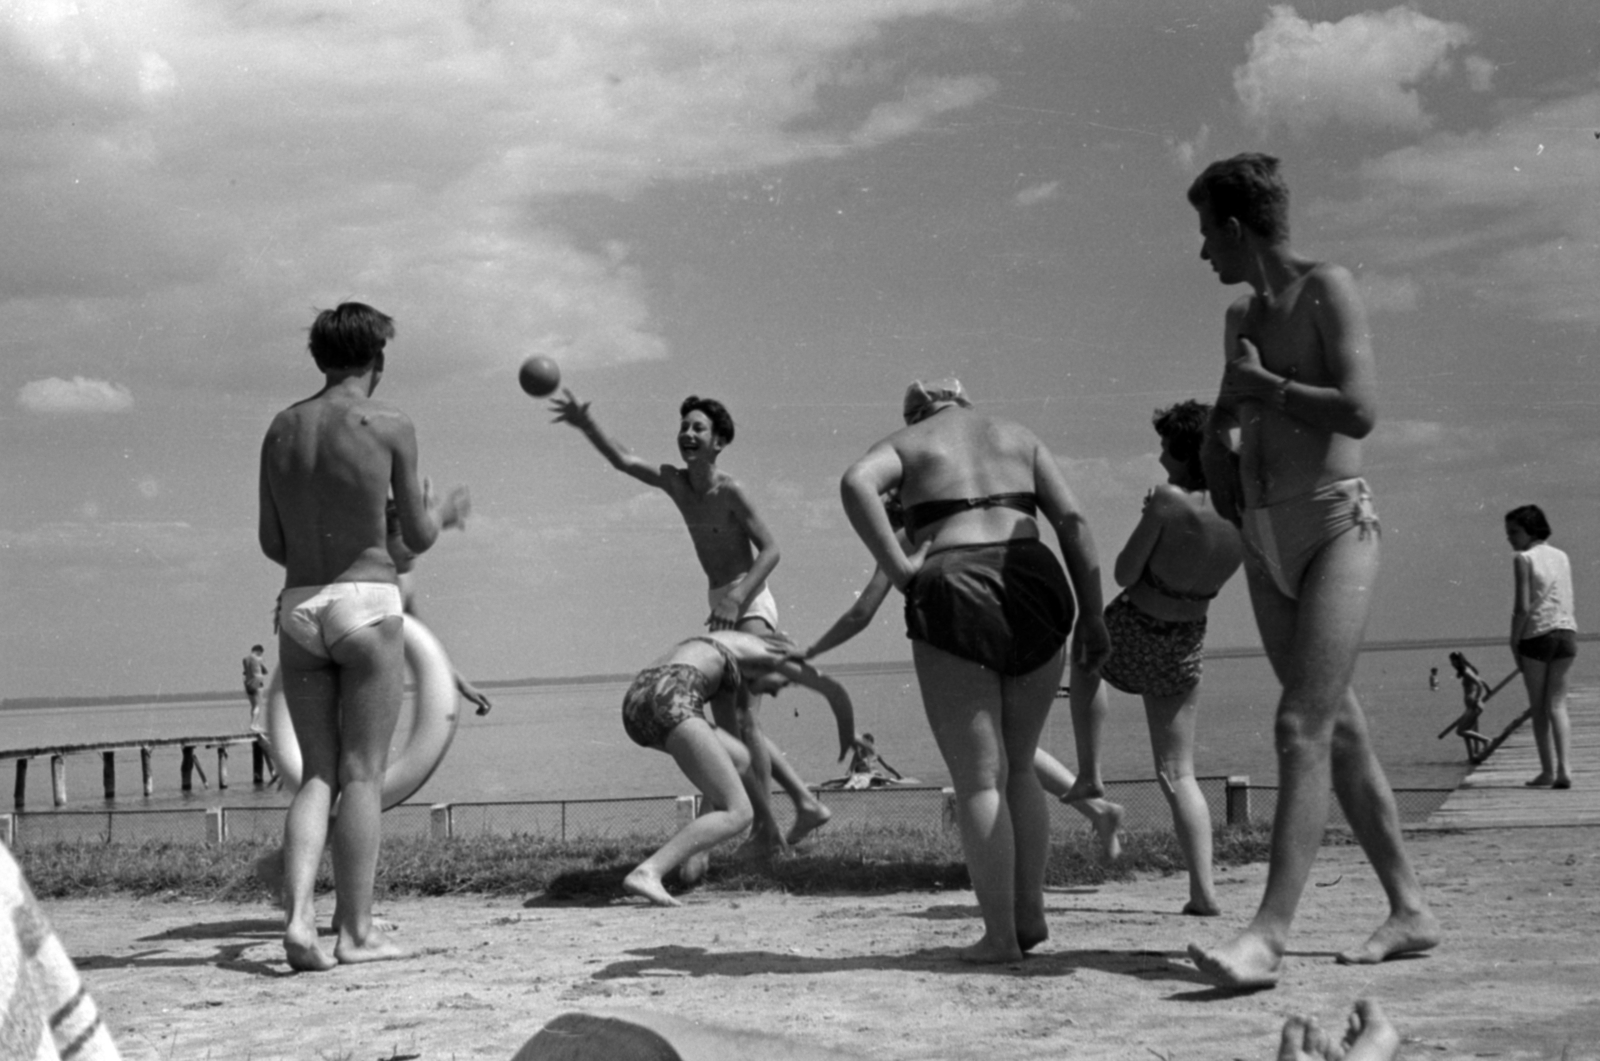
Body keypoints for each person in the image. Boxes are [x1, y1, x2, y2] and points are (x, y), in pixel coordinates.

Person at [1182, 153, 1437, 988]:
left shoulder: (1327, 287)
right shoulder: (1238, 314)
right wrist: (1218, 448)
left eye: (1204, 232)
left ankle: (1267, 935)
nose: (1202, 254)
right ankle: (1409, 908)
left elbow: (1361, 408)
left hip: (1334, 525)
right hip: (1262, 536)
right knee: (1342, 728)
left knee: (1299, 728)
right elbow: (1229, 405)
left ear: (1234, 224)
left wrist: (1269, 387)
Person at [840, 378, 1111, 963]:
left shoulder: (910, 442)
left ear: (917, 413)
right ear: (963, 401)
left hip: (954, 577)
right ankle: (1030, 914)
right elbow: (1076, 524)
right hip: (1036, 576)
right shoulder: (1018, 435)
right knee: (1018, 767)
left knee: (979, 780)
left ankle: (999, 937)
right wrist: (1093, 615)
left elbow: (855, 482)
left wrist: (903, 571)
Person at [258, 301, 469, 971]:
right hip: (367, 600)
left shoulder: (281, 429)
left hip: (298, 604)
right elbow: (419, 535)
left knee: (316, 774)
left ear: (319, 358)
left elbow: (271, 540)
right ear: (377, 358)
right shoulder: (391, 424)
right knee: (363, 775)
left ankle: (297, 919)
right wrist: (438, 512)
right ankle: (355, 931)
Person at [550, 390, 830, 854]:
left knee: (744, 722)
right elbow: (623, 459)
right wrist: (585, 424)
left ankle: (767, 831)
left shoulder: (731, 491)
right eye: (684, 427)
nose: (687, 434)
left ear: (719, 442)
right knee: (731, 732)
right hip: (720, 601)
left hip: (751, 599)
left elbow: (773, 549)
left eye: (698, 428)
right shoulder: (677, 484)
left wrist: (738, 597)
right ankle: (804, 804)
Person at [802, 490, 1125, 863]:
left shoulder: (907, 538)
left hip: (967, 639)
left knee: (988, 767)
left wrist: (811, 650)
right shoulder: (972, 521)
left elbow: (863, 612)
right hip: (1025, 613)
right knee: (1014, 749)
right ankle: (1094, 815)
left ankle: (1023, 863)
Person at [1064, 400, 1243, 916]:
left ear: (1186, 452)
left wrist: (1151, 516)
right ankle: (1204, 891)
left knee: (1084, 654)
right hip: (1187, 636)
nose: (1161, 456)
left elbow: (1123, 572)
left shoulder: (1168, 500)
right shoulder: (1243, 511)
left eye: (1167, 447)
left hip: (1136, 625)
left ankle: (1091, 772)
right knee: (1177, 772)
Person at [618, 630, 861, 907]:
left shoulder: (727, 659)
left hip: (639, 700)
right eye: (783, 684)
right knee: (739, 813)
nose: (775, 692)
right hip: (672, 695)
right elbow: (834, 691)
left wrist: (766, 822)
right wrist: (849, 734)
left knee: (738, 758)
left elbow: (733, 757)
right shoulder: (768, 653)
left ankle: (709, 850)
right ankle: (649, 872)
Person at [386, 500, 493, 715]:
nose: (415, 546)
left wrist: (463, 685)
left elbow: (427, 645)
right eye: (405, 538)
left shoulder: (405, 584)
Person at [1504, 504, 1577, 789]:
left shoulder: (1523, 558)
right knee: (1557, 705)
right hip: (1567, 632)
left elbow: (1522, 608)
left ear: (1530, 530)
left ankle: (1547, 771)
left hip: (1537, 635)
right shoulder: (1562, 556)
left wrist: (1514, 639)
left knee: (1538, 707)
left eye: (1514, 531)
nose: (1510, 538)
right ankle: (1565, 768)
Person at [243, 644, 270, 730]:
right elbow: (265, 671)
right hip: (258, 682)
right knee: (258, 705)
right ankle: (254, 725)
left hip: (248, 682)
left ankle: (255, 724)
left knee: (253, 705)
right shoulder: (259, 659)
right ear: (259, 651)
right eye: (261, 653)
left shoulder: (245, 659)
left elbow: (245, 672)